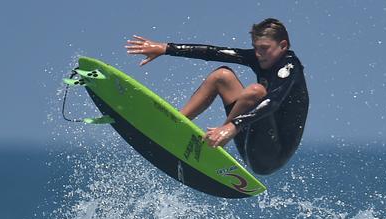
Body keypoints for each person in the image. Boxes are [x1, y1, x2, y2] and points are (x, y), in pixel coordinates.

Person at [125, 18, 308, 175]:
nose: (258, 54)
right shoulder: (261, 58)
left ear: (283, 45)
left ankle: (216, 141)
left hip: (271, 155)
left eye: (264, 48)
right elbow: (213, 52)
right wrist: (165, 48)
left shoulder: (290, 68)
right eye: (255, 48)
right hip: (247, 131)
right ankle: (175, 124)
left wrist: (231, 127)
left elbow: (273, 102)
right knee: (222, 76)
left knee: (256, 91)